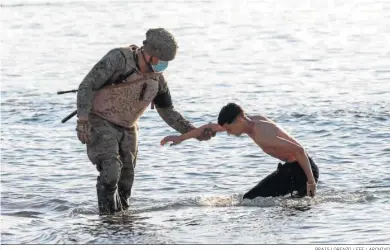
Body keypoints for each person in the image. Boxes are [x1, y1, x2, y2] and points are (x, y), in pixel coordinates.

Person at [76, 28, 214, 215]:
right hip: (100, 120)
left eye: (166, 62)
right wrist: (83, 120)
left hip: (128, 127)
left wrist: (192, 132)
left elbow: (167, 111)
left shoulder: (157, 80)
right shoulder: (118, 59)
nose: (162, 65)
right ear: (148, 53)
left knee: (126, 180)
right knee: (111, 172)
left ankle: (123, 220)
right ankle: (107, 221)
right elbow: (87, 85)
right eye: (160, 60)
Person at [161, 103, 319, 198]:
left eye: (229, 129)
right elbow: (208, 127)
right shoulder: (250, 122)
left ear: (239, 120)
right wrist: (180, 138)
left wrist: (310, 182)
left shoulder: (263, 133)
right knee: (257, 199)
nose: (228, 133)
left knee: (251, 199)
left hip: (302, 170)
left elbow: (299, 150)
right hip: (294, 168)